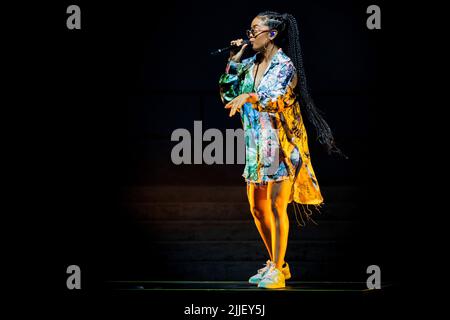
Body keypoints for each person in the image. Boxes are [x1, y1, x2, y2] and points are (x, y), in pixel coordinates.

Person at [218, 11, 344, 289]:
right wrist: (234, 59)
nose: (250, 35)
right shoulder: (249, 65)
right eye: (249, 31)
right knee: (257, 209)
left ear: (271, 34)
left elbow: (274, 99)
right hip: (256, 146)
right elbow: (227, 94)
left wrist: (249, 95)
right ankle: (279, 265)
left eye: (255, 30)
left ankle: (276, 267)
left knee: (276, 207)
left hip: (280, 146)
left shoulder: (284, 66)